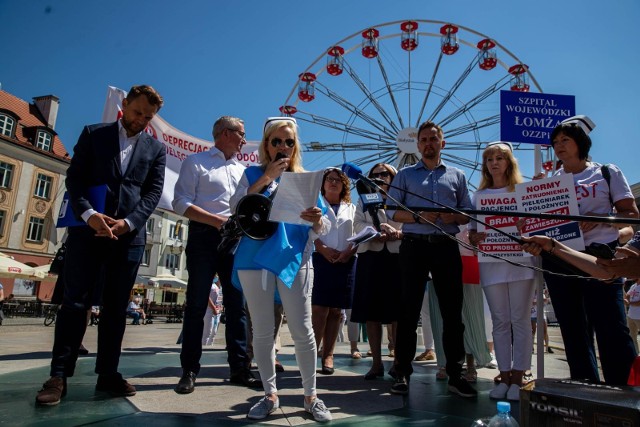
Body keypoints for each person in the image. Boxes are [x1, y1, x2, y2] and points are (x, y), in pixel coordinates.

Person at [35, 85, 166, 406]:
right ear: (124, 105)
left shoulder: (155, 148)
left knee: (116, 309)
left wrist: (129, 222)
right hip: (88, 232)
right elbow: (75, 179)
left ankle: (108, 373)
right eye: (137, 113)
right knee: (75, 304)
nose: (141, 121)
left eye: (148, 117)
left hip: (129, 238)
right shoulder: (93, 134)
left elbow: (153, 193)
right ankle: (58, 375)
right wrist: (90, 214)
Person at [521, 115, 638, 385]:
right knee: (573, 330)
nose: (559, 145)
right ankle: (585, 390)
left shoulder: (605, 172)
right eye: (555, 142)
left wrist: (600, 219)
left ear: (580, 143)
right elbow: (536, 222)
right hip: (559, 259)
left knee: (612, 328)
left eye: (565, 140)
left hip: (599, 256)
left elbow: (630, 215)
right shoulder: (549, 181)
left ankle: (624, 392)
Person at [231, 117, 332, 422]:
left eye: (289, 141)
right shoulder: (251, 174)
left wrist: (316, 219)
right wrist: (264, 180)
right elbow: (235, 207)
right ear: (266, 145)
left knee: (302, 330)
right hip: (253, 259)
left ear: (295, 146)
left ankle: (311, 396)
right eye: (277, 141)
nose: (283, 146)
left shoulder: (305, 180)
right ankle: (269, 394)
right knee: (262, 331)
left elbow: (324, 227)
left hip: (294, 258)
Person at [386, 120, 476, 398]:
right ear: (417, 144)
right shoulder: (404, 175)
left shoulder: (457, 176)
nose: (428, 143)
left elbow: (467, 213)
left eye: (433, 139)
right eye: (423, 139)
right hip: (414, 245)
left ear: (442, 143)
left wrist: (454, 217)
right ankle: (402, 371)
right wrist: (417, 216)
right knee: (408, 310)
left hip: (446, 246)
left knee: (452, 313)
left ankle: (455, 372)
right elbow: (391, 211)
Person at [172, 116, 260, 393]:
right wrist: (216, 221)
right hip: (203, 237)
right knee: (197, 305)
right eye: (241, 134)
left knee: (237, 306)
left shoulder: (243, 170)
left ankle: (240, 368)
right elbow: (180, 202)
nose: (245, 140)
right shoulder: (195, 162)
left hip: (235, 239)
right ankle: (189, 370)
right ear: (225, 133)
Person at [468, 141, 535, 401]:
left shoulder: (523, 192)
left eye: (499, 158)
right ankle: (504, 375)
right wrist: (474, 237)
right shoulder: (479, 197)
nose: (494, 163)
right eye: (489, 159)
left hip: (520, 261)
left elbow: (536, 227)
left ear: (509, 162)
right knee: (499, 320)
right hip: (492, 262)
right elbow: (473, 230)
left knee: (519, 320)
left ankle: (519, 376)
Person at [350, 163, 402, 380]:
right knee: (371, 313)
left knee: (397, 312)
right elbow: (357, 225)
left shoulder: (402, 199)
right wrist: (373, 232)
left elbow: (412, 224)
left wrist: (398, 233)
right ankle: (377, 363)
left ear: (393, 177)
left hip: (396, 257)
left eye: (385, 174)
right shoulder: (363, 200)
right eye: (375, 175)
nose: (380, 177)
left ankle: (399, 362)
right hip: (371, 256)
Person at [311, 168, 357, 375]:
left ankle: (328, 354)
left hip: (346, 260)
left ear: (344, 185)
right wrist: (321, 248)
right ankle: (311, 353)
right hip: (322, 258)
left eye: (338, 180)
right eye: (329, 179)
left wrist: (348, 252)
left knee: (337, 312)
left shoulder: (352, 207)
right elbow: (308, 229)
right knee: (319, 309)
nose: (333, 183)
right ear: (323, 183)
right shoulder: (316, 204)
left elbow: (358, 234)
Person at [202, 279, 223, 346]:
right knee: (207, 332)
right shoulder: (212, 286)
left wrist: (220, 308)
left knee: (214, 333)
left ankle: (210, 347)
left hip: (218, 313)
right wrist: (213, 308)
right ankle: (204, 348)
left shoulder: (221, 288)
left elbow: (221, 301)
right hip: (209, 311)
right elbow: (206, 297)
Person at [625, 280, 640, 353]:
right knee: (632, 337)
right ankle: (636, 356)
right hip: (631, 316)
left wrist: (629, 303)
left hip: (639, 316)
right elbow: (627, 295)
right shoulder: (634, 285)